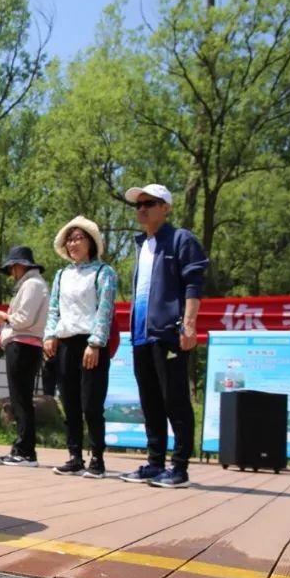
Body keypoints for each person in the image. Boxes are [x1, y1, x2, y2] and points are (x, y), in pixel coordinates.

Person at [118, 184, 208, 489]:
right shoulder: (142, 244)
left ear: (166, 207)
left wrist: (190, 324)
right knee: (151, 401)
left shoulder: (182, 239)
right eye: (138, 204)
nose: (141, 208)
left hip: (168, 333)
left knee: (175, 399)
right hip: (142, 336)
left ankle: (179, 468)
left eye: (149, 203)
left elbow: (193, 285)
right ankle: (155, 464)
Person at [44, 217, 117, 478]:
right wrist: (49, 336)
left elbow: (105, 311)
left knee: (91, 404)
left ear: (91, 243)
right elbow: (54, 308)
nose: (73, 243)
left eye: (79, 238)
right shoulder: (61, 274)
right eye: (70, 239)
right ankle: (74, 456)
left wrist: (96, 343)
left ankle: (97, 459)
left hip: (91, 344)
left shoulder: (103, 272)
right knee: (70, 402)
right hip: (65, 343)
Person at [0, 246, 48, 467]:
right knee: (20, 399)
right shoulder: (31, 284)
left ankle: (25, 451)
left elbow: (23, 319)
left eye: (12, 267)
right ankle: (22, 448)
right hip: (24, 344)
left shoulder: (32, 284)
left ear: (19, 265)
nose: (11, 272)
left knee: (21, 399)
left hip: (24, 344)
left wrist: (4, 316)